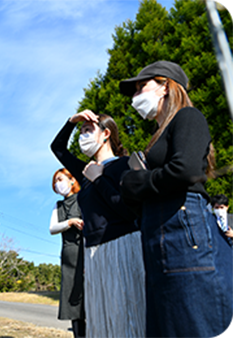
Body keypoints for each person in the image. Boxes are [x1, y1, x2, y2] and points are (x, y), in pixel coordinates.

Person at [119, 60, 233, 337]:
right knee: (170, 324)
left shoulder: (188, 117)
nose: (135, 97)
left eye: (141, 87)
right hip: (160, 232)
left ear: (165, 86)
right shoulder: (156, 137)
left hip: (183, 230)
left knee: (195, 322)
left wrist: (137, 181)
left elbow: (185, 171)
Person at [51, 111, 145, 338]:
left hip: (123, 246)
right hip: (94, 251)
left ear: (106, 134)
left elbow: (127, 210)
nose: (83, 136)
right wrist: (71, 122)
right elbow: (58, 149)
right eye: (81, 131)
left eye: (88, 130)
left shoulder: (123, 165)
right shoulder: (84, 172)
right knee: (102, 320)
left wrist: (99, 179)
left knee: (128, 317)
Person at [49, 168, 85, 338]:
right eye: (56, 181)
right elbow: (52, 228)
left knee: (87, 298)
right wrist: (69, 222)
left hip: (84, 252)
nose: (58, 184)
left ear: (72, 180)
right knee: (73, 303)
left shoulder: (83, 199)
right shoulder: (58, 206)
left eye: (61, 179)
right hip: (68, 256)